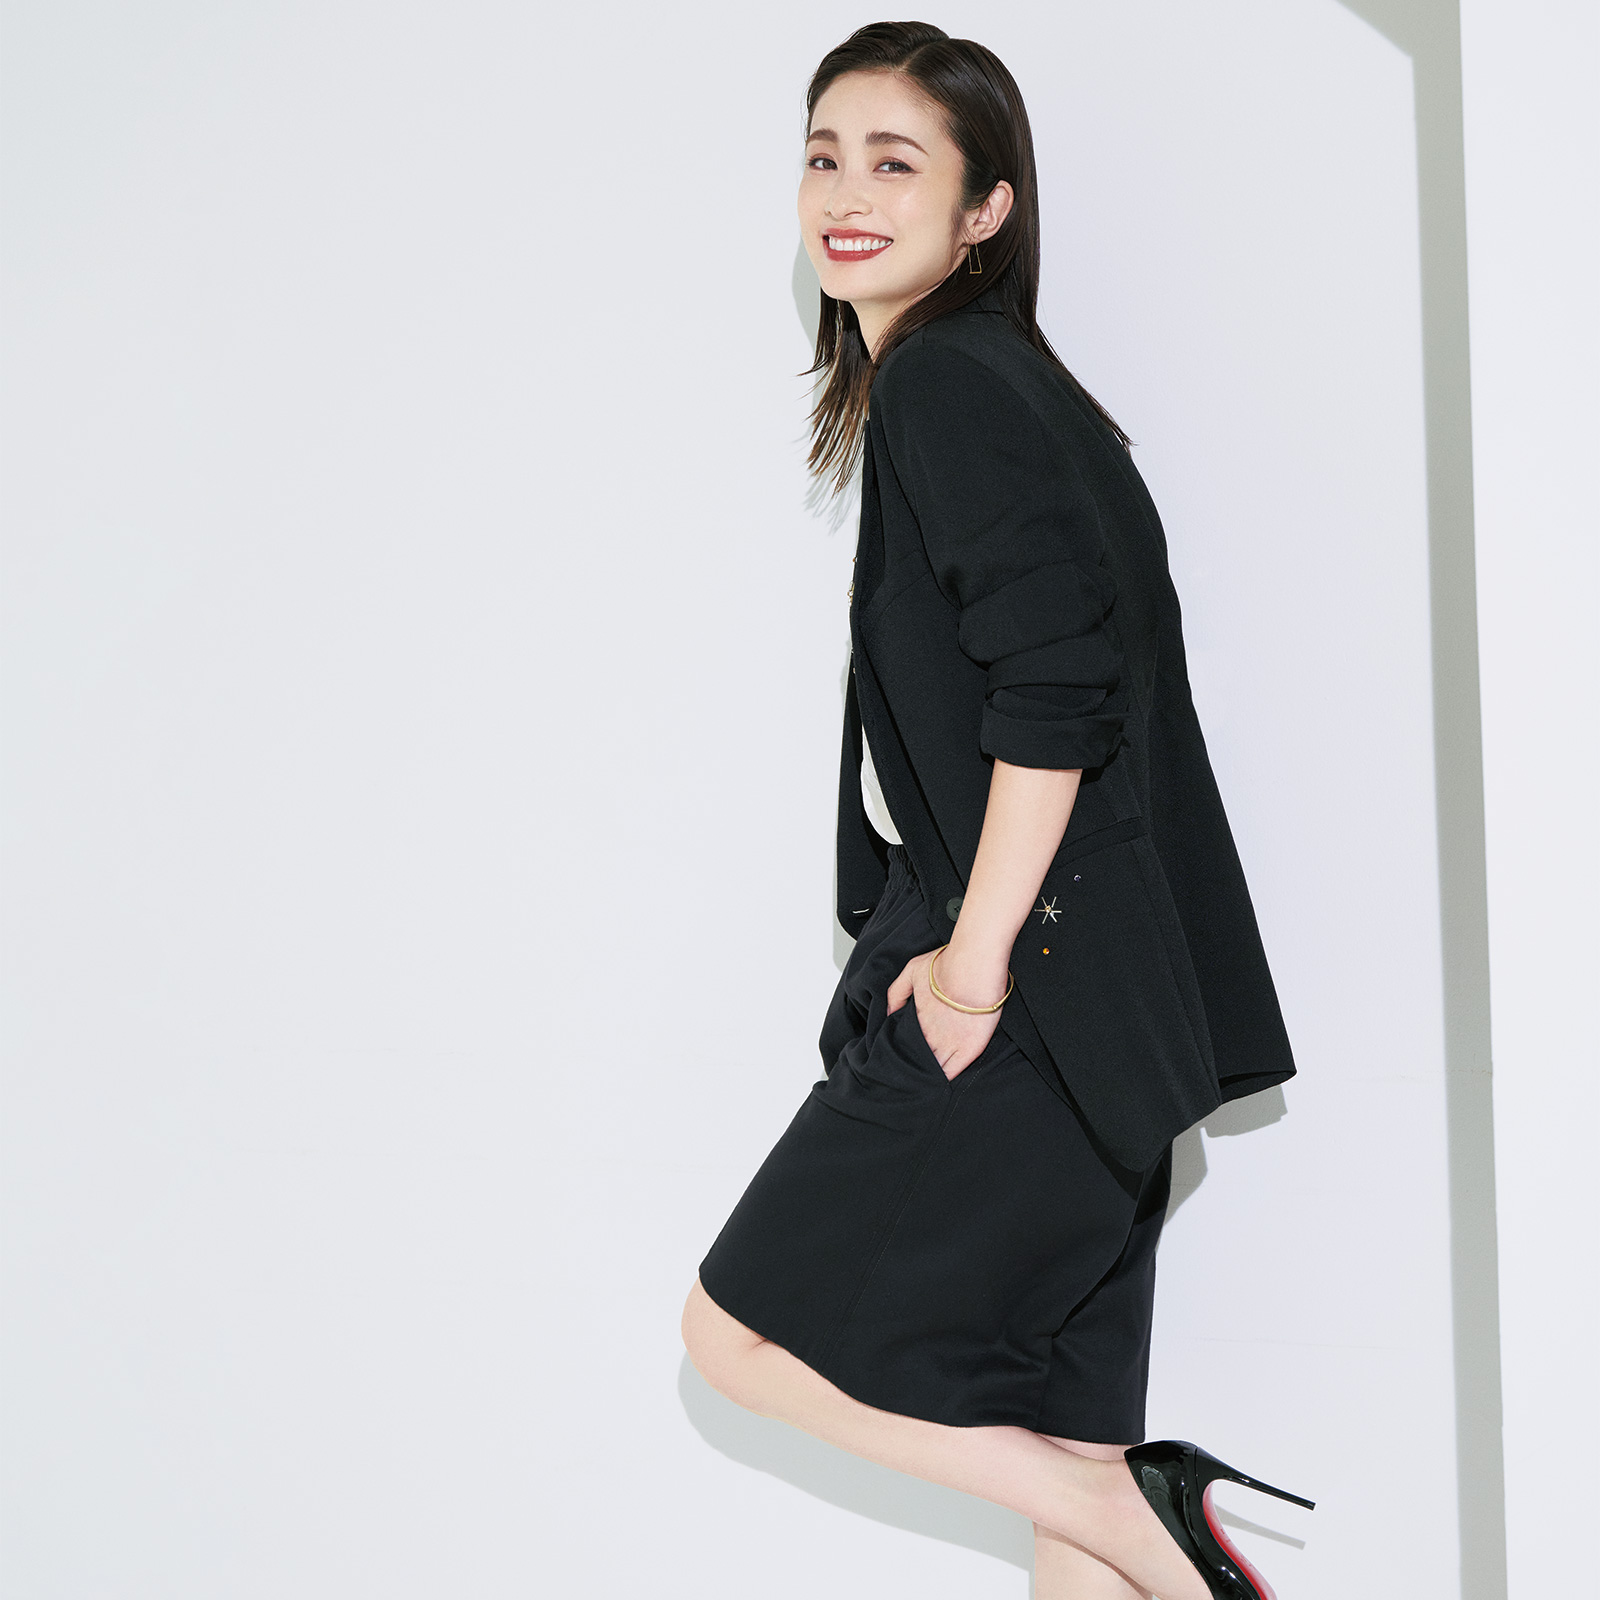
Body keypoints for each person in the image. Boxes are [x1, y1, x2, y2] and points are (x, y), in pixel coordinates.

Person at [681, 22, 1311, 1599]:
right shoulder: (1012, 388)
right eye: (825, 155)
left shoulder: (950, 385)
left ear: (984, 211)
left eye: (896, 163)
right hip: (1118, 1015)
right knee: (1060, 1459)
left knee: (739, 1341)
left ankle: (1146, 1515)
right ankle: (1119, 1510)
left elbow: (1055, 700)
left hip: (1030, 993)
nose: (847, 193)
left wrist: (968, 974)